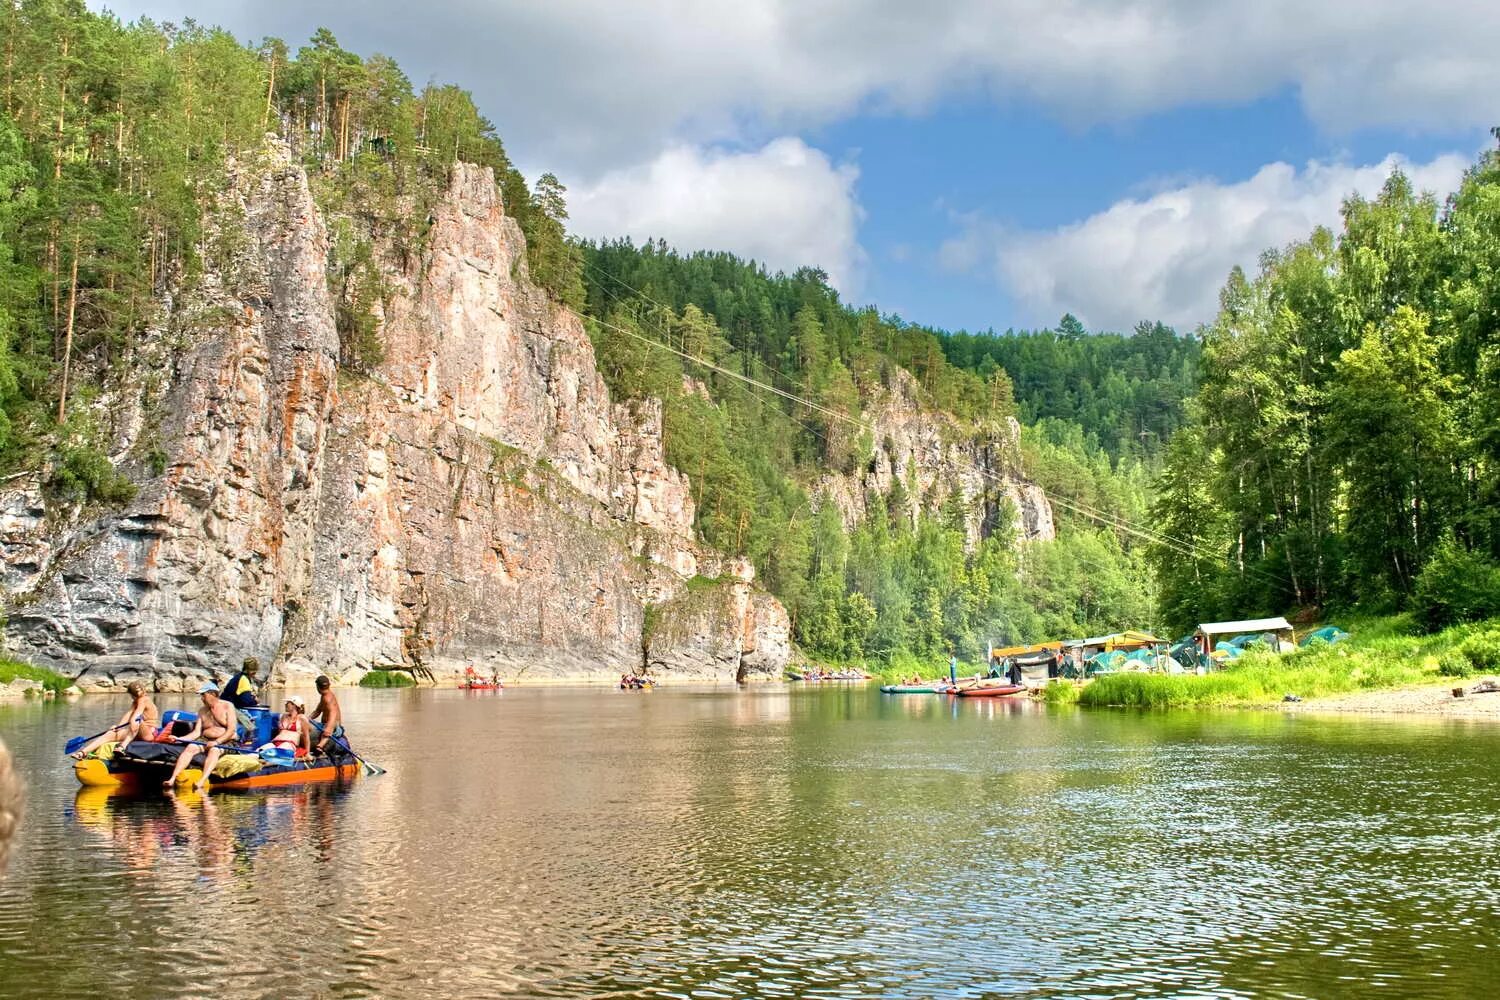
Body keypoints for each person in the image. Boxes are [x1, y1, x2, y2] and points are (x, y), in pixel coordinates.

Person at [165, 683, 238, 793]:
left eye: (203, 695)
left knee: (214, 750)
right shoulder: (202, 711)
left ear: (212, 694)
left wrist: (217, 741)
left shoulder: (228, 706)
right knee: (190, 747)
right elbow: (196, 733)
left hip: (225, 740)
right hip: (205, 739)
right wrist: (179, 739)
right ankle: (172, 778)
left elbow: (231, 730)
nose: (202, 698)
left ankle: (202, 780)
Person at [71, 681, 160, 759]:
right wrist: (117, 728)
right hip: (136, 733)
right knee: (111, 733)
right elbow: (127, 715)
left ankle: (122, 747)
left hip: (148, 734)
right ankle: (83, 753)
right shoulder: (135, 702)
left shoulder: (144, 700)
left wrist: (132, 721)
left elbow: (137, 714)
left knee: (137, 720)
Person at [221, 657, 262, 735]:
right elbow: (246, 701)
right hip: (229, 708)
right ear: (253, 671)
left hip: (223, 705)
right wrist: (255, 701)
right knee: (251, 726)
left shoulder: (238, 677)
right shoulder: (244, 680)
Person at [308, 676, 344, 756]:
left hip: (333, 726)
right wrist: (308, 718)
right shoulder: (324, 696)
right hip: (325, 724)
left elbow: (333, 714)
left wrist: (329, 728)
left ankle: (320, 746)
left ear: (317, 686)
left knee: (326, 731)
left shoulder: (328, 698)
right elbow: (317, 711)